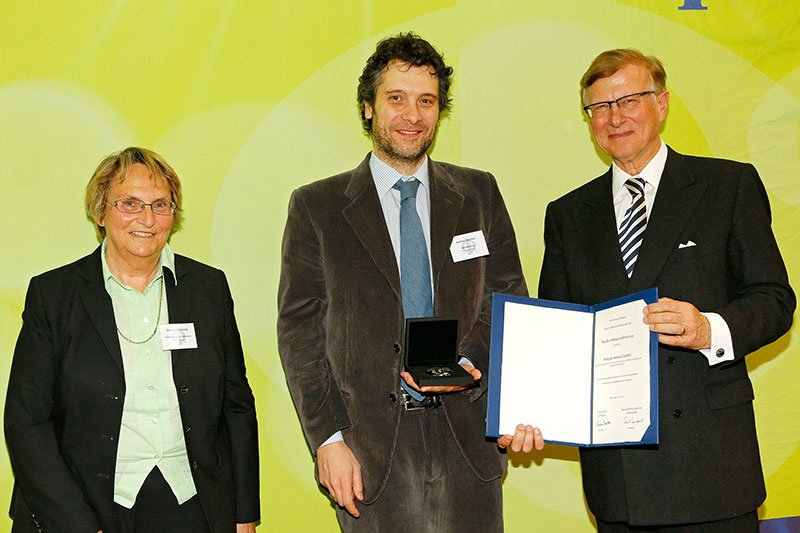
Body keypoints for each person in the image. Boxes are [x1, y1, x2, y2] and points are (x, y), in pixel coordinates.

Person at [507, 48, 794, 532]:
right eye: (598, 107)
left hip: (712, 469)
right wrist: (529, 411)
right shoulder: (569, 215)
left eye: (629, 100)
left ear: (661, 104)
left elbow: (774, 299)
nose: (614, 117)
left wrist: (709, 328)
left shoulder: (728, 185)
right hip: (619, 480)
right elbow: (558, 335)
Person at [277, 32, 527, 531]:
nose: (412, 115)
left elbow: (507, 300)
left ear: (440, 111)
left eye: (426, 101)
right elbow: (300, 334)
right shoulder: (317, 207)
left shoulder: (479, 193)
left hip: (467, 440)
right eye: (396, 98)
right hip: (369, 453)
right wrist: (329, 441)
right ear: (368, 107)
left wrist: (470, 363)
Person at [4, 147, 260, 532]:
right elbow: (27, 422)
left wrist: (244, 515)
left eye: (160, 205)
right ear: (100, 212)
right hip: (86, 507)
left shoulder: (209, 288)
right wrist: (78, 525)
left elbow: (236, 406)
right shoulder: (54, 295)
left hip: (194, 506)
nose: (147, 218)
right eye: (130, 203)